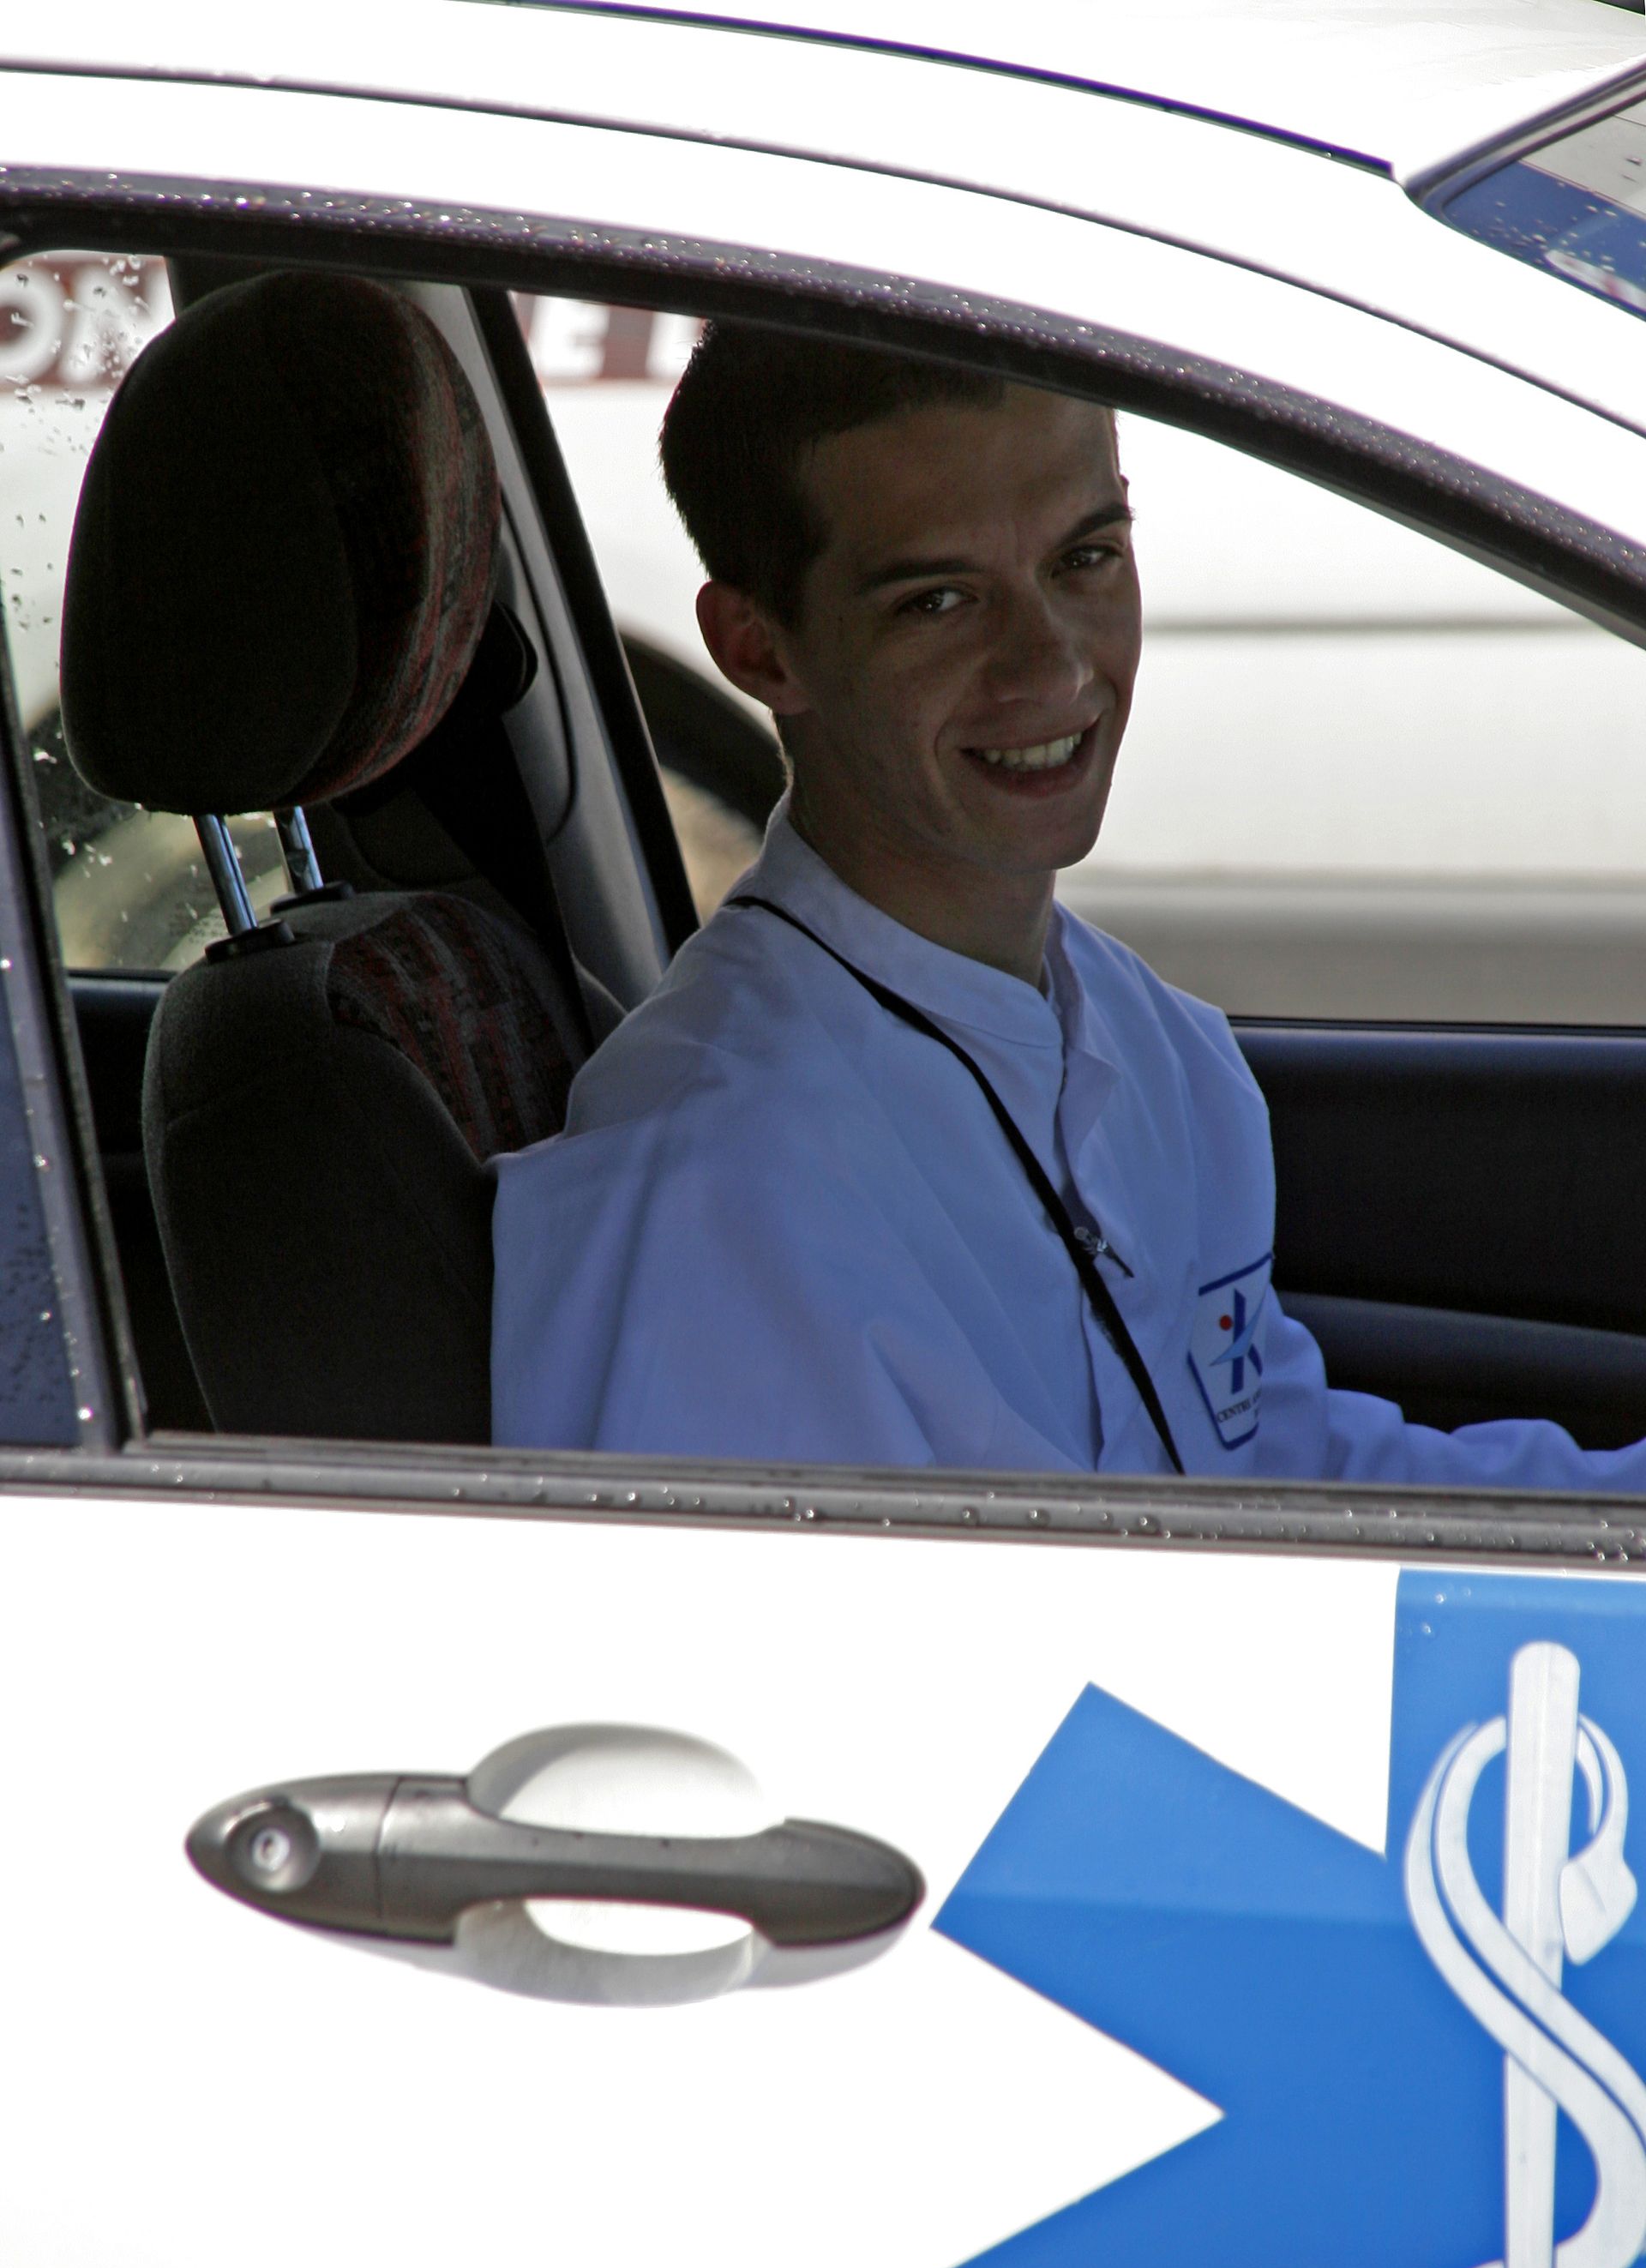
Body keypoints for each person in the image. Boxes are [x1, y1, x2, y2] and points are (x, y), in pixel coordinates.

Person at [492, 324, 1646, 1486]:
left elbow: (1270, 1474)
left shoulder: (1155, 1048)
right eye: (939, 601)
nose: (1051, 667)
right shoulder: (719, 1199)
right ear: (760, 648)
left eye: (1084, 559)